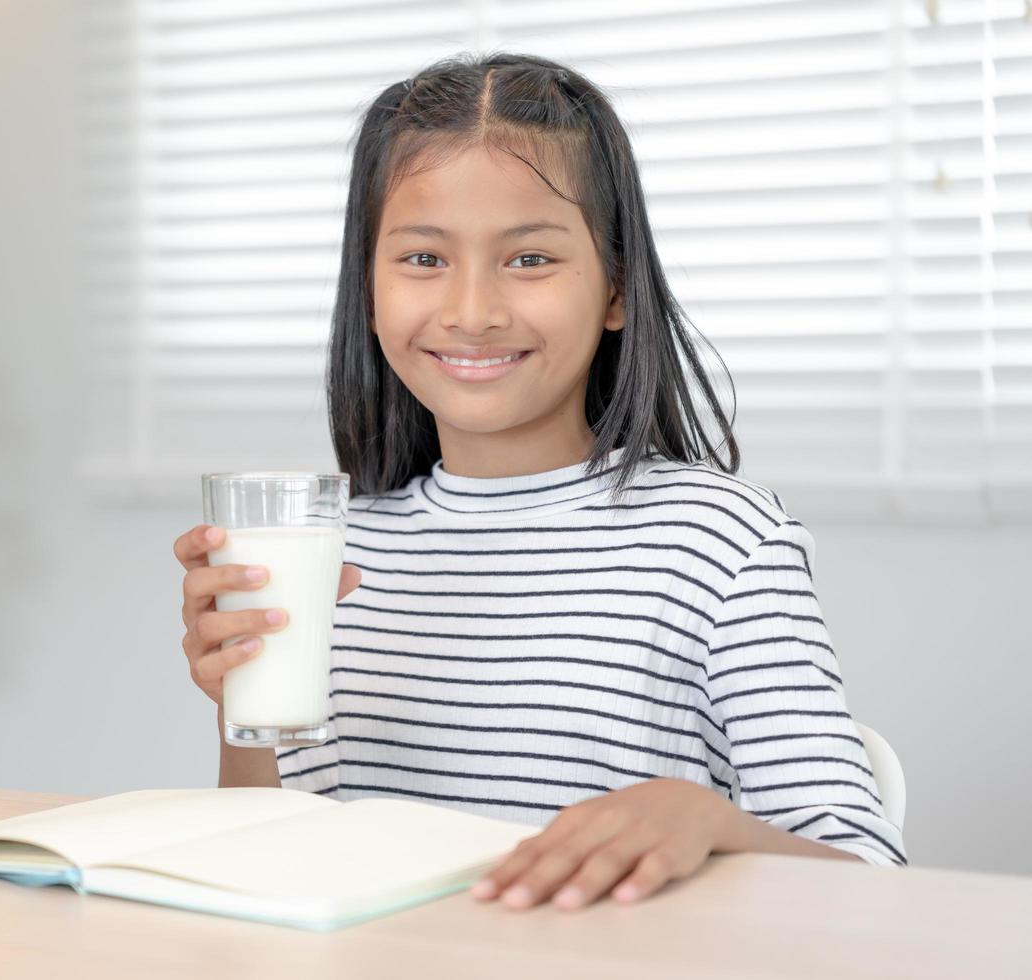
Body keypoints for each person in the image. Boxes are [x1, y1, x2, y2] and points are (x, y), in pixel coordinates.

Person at [172, 51, 906, 914]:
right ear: (367, 292)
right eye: (422, 259)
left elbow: (872, 882)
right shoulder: (335, 550)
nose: (472, 310)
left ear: (617, 289)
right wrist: (241, 705)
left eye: (528, 260)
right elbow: (269, 864)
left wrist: (703, 818)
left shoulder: (718, 545)